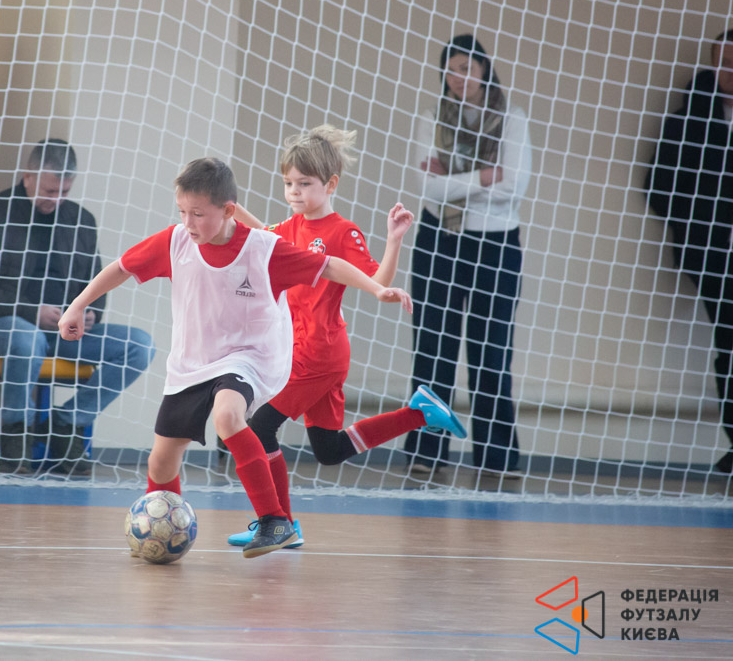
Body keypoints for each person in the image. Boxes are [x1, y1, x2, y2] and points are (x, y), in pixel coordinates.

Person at [59, 157, 410, 558]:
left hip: (251, 357)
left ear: (228, 211)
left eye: (198, 214)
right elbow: (122, 267)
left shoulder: (264, 249)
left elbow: (329, 266)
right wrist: (77, 305)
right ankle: (162, 532)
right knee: (161, 463)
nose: (188, 222)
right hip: (193, 363)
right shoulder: (175, 241)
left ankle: (275, 520)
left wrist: (377, 289)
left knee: (228, 416)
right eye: (182, 212)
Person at [225, 125, 468, 549]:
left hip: (319, 353)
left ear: (331, 184)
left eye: (304, 183)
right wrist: (226, 205)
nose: (295, 191)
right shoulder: (290, 227)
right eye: (288, 183)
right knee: (329, 450)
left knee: (260, 426)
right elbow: (262, 233)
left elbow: (377, 279)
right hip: (302, 351)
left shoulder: (342, 231)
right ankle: (419, 413)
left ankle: (279, 522)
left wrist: (394, 241)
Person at [0, 139, 155, 476]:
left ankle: (66, 423)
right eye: (49, 191)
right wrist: (32, 313)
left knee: (140, 346)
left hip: (63, 329)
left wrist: (90, 310)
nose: (56, 199)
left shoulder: (81, 220)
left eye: (64, 192)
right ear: (28, 177)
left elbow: (97, 281)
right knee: (27, 338)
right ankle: (16, 430)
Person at [405, 34, 532, 477]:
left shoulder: (511, 119)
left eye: (467, 68)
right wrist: (484, 176)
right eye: (451, 70)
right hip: (439, 240)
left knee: (491, 353)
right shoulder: (431, 119)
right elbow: (429, 189)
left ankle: (497, 458)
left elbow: (514, 185)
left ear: (483, 70)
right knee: (432, 350)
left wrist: (456, 179)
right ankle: (426, 452)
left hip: (496, 245)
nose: (459, 77)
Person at [645, 29, 733, 474]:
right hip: (714, 257)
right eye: (724, 62)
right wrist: (698, 228)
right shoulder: (688, 121)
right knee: (730, 346)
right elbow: (656, 185)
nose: (730, 71)